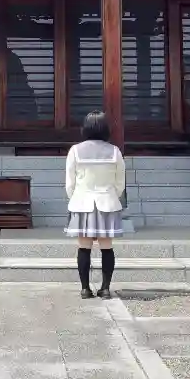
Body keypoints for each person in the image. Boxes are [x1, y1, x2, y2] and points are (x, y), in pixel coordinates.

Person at [64, 110, 127, 299]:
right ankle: (105, 288)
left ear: (85, 127)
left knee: (84, 247)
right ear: (106, 128)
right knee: (106, 247)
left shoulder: (75, 150)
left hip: (82, 203)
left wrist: (75, 197)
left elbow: (70, 183)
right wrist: (111, 195)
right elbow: (120, 183)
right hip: (107, 203)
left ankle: (85, 289)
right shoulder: (115, 151)